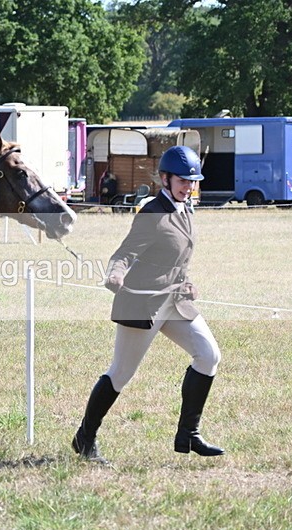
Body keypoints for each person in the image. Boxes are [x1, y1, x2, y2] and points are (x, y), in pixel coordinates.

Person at [72, 145, 224, 464]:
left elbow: (174, 256)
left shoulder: (187, 209)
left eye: (192, 181)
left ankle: (189, 434)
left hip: (175, 302)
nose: (188, 187)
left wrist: (185, 280)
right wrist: (115, 274)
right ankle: (85, 437)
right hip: (142, 304)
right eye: (183, 180)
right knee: (121, 373)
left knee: (209, 355)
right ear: (165, 179)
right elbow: (125, 253)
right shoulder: (152, 213)